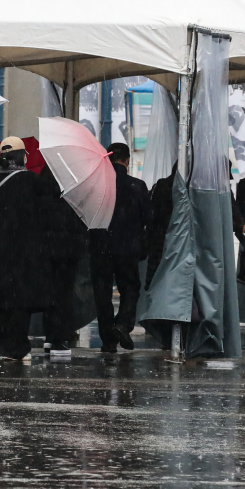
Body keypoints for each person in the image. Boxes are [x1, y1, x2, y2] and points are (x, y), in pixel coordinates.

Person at [0, 137, 53, 361]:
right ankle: (18, 347)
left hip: (0, 249)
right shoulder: (32, 180)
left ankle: (2, 345)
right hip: (26, 250)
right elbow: (48, 204)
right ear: (22, 156)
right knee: (21, 300)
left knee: (4, 299)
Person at [89, 143, 151, 353]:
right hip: (128, 248)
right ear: (127, 161)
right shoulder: (137, 186)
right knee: (130, 288)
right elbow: (148, 218)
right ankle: (123, 324)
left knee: (102, 293)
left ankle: (108, 340)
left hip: (100, 246)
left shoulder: (96, 186)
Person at [38, 165, 89, 355]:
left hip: (46, 251)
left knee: (49, 293)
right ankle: (59, 338)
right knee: (65, 294)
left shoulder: (40, 195)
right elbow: (82, 224)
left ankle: (49, 336)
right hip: (69, 251)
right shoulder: (73, 196)